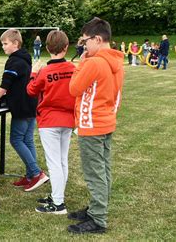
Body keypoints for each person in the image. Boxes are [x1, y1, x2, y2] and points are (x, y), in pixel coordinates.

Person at [67, 17, 124, 234]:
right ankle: (96, 208)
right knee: (103, 168)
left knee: (94, 172)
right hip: (106, 120)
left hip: (91, 124)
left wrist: (81, 63)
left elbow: (74, 88)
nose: (83, 46)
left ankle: (98, 218)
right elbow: (116, 95)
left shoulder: (93, 62)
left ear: (97, 39)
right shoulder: (116, 62)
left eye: (85, 41)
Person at [27, 30, 76, 214]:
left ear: (47, 48)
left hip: (50, 120)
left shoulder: (45, 71)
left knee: (54, 162)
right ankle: (58, 195)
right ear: (66, 47)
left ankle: (58, 203)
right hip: (68, 119)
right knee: (62, 160)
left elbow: (31, 90)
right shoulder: (73, 68)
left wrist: (33, 73)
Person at [0, 28, 48, 192]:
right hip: (31, 104)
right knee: (27, 140)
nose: (3, 47)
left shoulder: (13, 61)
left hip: (22, 106)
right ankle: (30, 175)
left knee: (16, 140)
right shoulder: (25, 58)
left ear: (15, 43)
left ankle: (36, 173)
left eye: (5, 44)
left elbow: (4, 87)